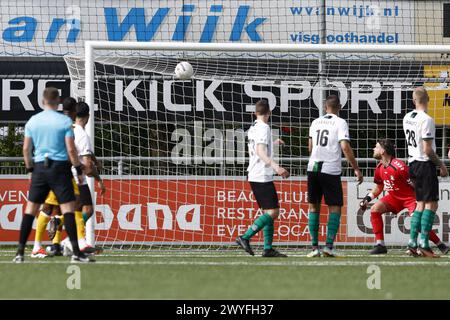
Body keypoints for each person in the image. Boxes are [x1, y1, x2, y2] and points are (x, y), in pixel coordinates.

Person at [13, 88, 93, 263]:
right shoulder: (64, 122)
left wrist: (30, 170)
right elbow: (71, 149)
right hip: (60, 169)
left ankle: (20, 252)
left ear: (43, 102)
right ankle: (76, 253)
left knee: (31, 210)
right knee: (68, 210)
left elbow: (26, 149)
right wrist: (78, 169)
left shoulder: (33, 121)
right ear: (57, 102)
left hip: (40, 168)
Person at [360, 139, 448, 255]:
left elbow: (415, 183)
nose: (373, 149)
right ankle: (380, 245)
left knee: (417, 222)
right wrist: (367, 199)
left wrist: (420, 199)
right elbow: (378, 188)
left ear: (383, 151)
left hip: (410, 198)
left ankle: (440, 245)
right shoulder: (379, 168)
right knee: (375, 209)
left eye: (376, 147)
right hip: (394, 198)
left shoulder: (399, 167)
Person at [307, 95, 363, 258]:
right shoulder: (340, 122)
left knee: (313, 206)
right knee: (335, 207)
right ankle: (329, 246)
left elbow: (310, 147)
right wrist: (356, 168)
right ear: (339, 107)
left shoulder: (315, 122)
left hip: (313, 168)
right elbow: (345, 147)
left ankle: (314, 248)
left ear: (325, 107)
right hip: (330, 169)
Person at [236, 99, 290, 257]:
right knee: (273, 212)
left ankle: (268, 249)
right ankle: (245, 237)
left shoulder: (253, 127)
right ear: (270, 113)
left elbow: (257, 147)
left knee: (268, 212)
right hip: (261, 175)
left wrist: (273, 143)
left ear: (255, 113)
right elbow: (260, 151)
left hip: (255, 174)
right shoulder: (265, 127)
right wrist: (277, 167)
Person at [402, 87, 448, 257]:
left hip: (412, 164)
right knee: (431, 204)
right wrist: (441, 165)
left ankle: (412, 242)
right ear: (428, 99)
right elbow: (427, 150)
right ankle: (424, 244)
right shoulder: (427, 119)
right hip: (424, 164)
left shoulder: (407, 117)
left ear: (414, 101)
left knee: (420, 204)